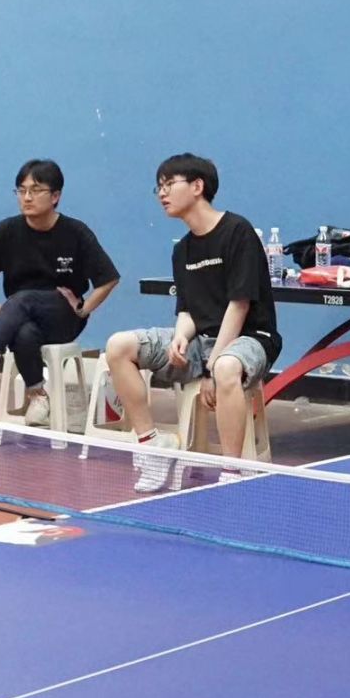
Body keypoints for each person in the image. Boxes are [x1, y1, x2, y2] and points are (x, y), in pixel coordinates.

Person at [101, 154, 279, 491]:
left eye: (170, 184)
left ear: (197, 186)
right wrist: (181, 336)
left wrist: (212, 367)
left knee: (226, 366)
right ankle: (152, 445)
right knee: (118, 346)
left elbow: (239, 305)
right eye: (159, 187)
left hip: (251, 337)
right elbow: (187, 310)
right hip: (202, 341)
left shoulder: (237, 231)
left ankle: (233, 471)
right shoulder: (182, 250)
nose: (162, 193)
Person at [0, 159, 120, 425]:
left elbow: (109, 278)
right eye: (21, 190)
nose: (26, 197)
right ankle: (38, 396)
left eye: (35, 190)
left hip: (64, 316)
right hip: (21, 314)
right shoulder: (7, 231)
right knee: (23, 331)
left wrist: (84, 309)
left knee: (23, 298)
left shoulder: (75, 232)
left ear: (55, 196)